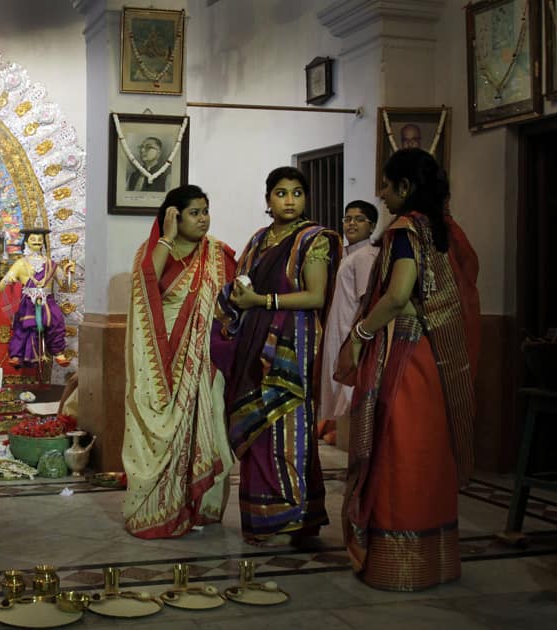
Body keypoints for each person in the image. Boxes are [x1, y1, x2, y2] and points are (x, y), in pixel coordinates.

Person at [342, 148, 480, 591]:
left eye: (386, 184)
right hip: (435, 360)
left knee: (396, 452)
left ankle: (396, 564)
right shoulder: (440, 229)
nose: (381, 194)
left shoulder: (404, 230)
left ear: (404, 188)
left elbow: (399, 294)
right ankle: (435, 561)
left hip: (403, 358)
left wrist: (361, 335)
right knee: (429, 454)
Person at [211, 166, 342, 547]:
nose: (290, 200)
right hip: (254, 342)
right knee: (258, 431)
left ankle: (293, 517)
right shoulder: (258, 240)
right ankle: (261, 519)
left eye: (297, 193)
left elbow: (315, 296)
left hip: (290, 346)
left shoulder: (313, 240)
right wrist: (234, 299)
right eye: (281, 193)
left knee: (288, 431)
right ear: (267, 200)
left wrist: (260, 301)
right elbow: (244, 285)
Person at [122, 185, 236, 539]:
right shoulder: (154, 251)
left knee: (209, 426)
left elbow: (234, 302)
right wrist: (167, 239)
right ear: (173, 215)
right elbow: (145, 288)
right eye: (194, 213)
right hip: (162, 360)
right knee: (162, 430)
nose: (203, 219)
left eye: (206, 211)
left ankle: (199, 507)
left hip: (206, 361)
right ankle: (158, 509)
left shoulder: (218, 254)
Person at [316, 200, 379, 445]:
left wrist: (357, 336)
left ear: (372, 226)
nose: (351, 223)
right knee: (339, 393)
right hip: (338, 330)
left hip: (350, 334)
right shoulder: (348, 255)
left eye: (359, 219)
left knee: (350, 394)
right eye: (347, 218)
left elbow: (366, 300)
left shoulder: (365, 256)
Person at [0, 223, 75, 367]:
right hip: (29, 303)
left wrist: (68, 273)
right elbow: (0, 286)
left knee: (56, 319)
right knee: (23, 326)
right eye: (33, 239)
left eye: (40, 239)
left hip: (48, 301)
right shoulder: (20, 264)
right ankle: (17, 355)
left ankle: (58, 352)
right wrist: (10, 280)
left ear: (44, 243)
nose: (37, 242)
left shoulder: (51, 264)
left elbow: (65, 286)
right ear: (26, 242)